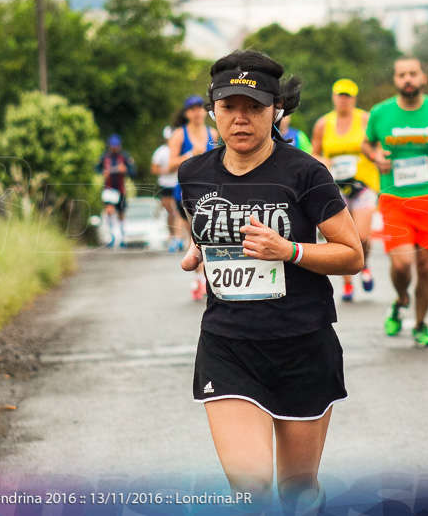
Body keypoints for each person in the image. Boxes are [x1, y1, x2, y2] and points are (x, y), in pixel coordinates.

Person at [178, 50, 363, 513]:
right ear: (212, 109)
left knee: (296, 492)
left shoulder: (306, 173)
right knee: (252, 491)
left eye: (254, 107)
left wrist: (291, 250)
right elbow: (207, 233)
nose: (241, 119)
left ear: (276, 110)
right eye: (229, 106)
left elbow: (352, 255)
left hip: (302, 344)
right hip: (229, 346)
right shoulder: (194, 174)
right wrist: (198, 250)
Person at [362, 59, 428, 347]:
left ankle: (420, 324)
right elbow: (366, 143)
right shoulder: (381, 113)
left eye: (413, 74)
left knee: (427, 265)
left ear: (422, 78)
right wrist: (376, 157)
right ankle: (401, 298)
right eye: (402, 74)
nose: (408, 79)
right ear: (395, 80)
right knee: (403, 264)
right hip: (394, 197)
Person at [311, 78, 380, 302]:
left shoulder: (366, 120)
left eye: (348, 96)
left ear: (354, 99)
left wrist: (375, 156)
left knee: (361, 236)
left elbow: (377, 147)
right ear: (333, 97)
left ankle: (364, 264)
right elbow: (314, 154)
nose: (343, 101)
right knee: (340, 238)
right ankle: (348, 283)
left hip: (363, 184)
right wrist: (324, 162)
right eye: (340, 96)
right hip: (336, 188)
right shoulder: (323, 124)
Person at [170, 95, 220, 298]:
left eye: (201, 108)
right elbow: (170, 164)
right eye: (193, 109)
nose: (198, 113)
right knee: (196, 237)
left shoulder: (213, 132)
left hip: (210, 191)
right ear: (187, 113)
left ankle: (206, 279)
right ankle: (200, 279)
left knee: (210, 236)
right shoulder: (179, 135)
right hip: (186, 192)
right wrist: (190, 154)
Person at [150, 126, 184, 253]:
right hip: (165, 185)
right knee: (171, 212)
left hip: (178, 183)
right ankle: (173, 237)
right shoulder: (161, 152)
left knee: (177, 211)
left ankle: (178, 238)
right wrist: (168, 170)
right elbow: (154, 169)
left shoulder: (181, 150)